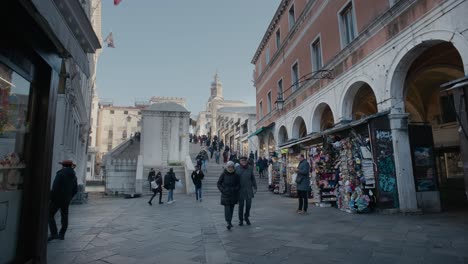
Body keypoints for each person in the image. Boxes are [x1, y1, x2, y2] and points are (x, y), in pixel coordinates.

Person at [48, 160, 78, 241]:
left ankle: (54, 233)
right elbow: (75, 190)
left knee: (49, 214)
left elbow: (55, 187)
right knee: (64, 216)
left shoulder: (60, 174)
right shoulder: (74, 176)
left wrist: (52, 197)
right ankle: (62, 234)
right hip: (66, 199)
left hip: (57, 199)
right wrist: (69, 197)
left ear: (63, 166)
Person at [217, 161, 240, 230]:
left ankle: (230, 221)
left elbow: (238, 184)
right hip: (225, 194)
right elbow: (219, 183)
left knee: (231, 209)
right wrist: (223, 190)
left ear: (233, 167)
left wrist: (235, 189)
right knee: (227, 209)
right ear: (227, 167)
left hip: (233, 194)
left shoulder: (236, 175)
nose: (230, 168)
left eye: (231, 167)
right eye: (229, 167)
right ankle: (228, 222)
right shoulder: (223, 174)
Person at [236, 156, 257, 226]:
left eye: (244, 160)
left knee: (248, 205)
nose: (243, 162)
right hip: (240, 190)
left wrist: (255, 186)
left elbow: (253, 178)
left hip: (248, 189)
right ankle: (240, 220)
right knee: (241, 206)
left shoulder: (250, 168)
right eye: (242, 160)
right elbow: (234, 179)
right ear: (240, 161)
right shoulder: (237, 168)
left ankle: (246, 217)